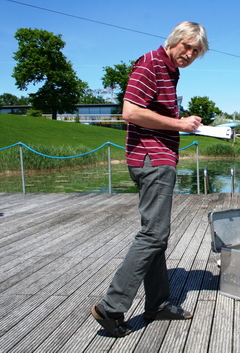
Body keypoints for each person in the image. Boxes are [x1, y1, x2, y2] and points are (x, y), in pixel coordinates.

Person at [91, 21, 209, 338]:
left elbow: (162, 116)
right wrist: (179, 124)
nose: (190, 53)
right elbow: (130, 111)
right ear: (174, 40)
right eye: (187, 46)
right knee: (153, 235)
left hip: (160, 158)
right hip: (151, 158)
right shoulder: (151, 63)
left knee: (157, 234)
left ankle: (157, 304)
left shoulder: (171, 71)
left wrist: (185, 123)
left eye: (196, 51)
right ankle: (110, 307)